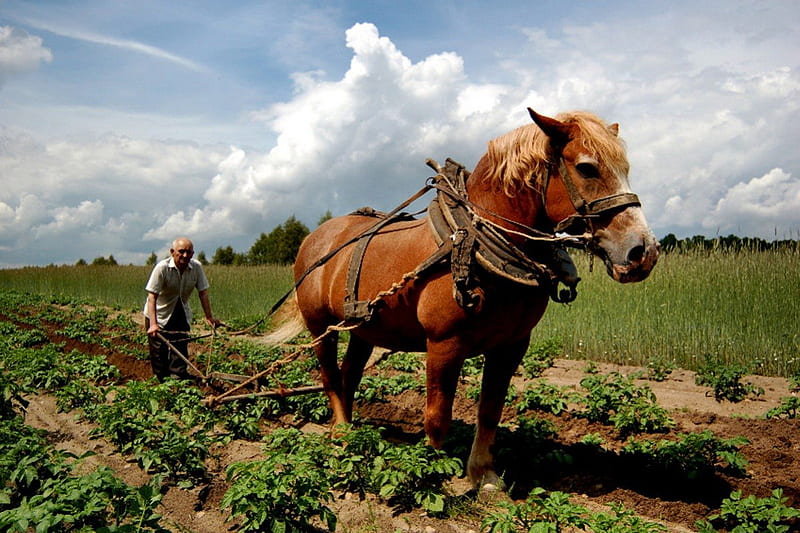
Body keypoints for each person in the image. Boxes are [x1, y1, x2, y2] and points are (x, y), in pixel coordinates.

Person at [143, 237, 222, 381]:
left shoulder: (196, 267)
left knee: (179, 347)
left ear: (193, 254)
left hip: (181, 311)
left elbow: (203, 292)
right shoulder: (162, 268)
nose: (185, 255)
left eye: (189, 252)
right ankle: (161, 382)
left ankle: (177, 379)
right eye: (181, 251)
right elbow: (152, 296)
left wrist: (209, 317)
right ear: (172, 252)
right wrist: (153, 324)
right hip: (159, 314)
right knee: (158, 353)